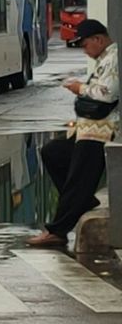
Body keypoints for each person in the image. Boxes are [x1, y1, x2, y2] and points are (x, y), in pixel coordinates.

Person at [28, 18, 119, 248]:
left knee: (78, 179)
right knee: (53, 153)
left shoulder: (114, 59)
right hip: (87, 130)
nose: (85, 51)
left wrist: (80, 88)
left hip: (102, 133)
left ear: (98, 39)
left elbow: (107, 94)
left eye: (86, 45)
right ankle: (83, 201)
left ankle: (57, 230)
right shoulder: (104, 58)